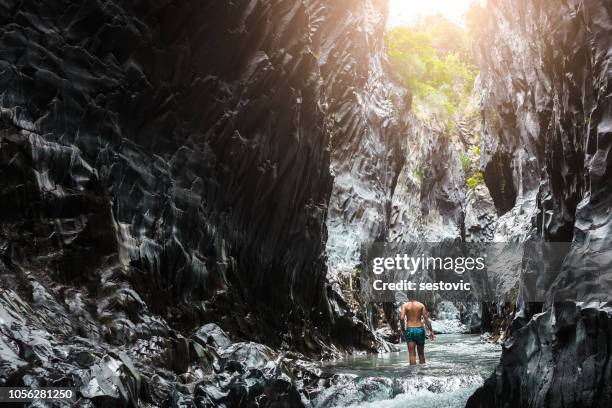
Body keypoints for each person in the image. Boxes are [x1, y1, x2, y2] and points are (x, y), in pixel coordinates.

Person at [399, 299, 434, 365]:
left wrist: (403, 329)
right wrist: (431, 331)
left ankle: (412, 373)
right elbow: (426, 318)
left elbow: (401, 318)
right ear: (414, 296)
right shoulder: (421, 305)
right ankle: (423, 372)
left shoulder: (405, 305)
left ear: (407, 296)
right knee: (421, 353)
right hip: (420, 329)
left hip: (410, 330)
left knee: (412, 354)